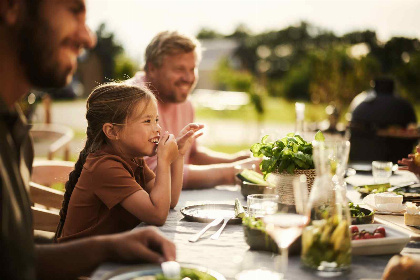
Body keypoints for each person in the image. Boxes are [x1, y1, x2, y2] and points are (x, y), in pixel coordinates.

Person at [0, 1, 176, 280]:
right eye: (73, 10)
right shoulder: (104, 163)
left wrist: (108, 248)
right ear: (12, 6)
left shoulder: (13, 128)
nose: (88, 37)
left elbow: (14, 260)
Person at [55, 83, 202, 242]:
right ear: (112, 131)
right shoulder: (105, 167)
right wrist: (164, 161)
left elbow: (169, 201)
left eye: (156, 120)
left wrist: (179, 155)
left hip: (107, 255)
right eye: (147, 121)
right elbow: (157, 215)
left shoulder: (132, 158)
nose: (158, 128)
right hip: (83, 262)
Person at [127, 31, 259, 189]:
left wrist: (234, 159)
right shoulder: (133, 100)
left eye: (192, 69)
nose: (188, 78)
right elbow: (152, 173)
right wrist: (233, 172)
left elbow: (191, 155)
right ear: (152, 68)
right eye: (179, 69)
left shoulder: (184, 101)